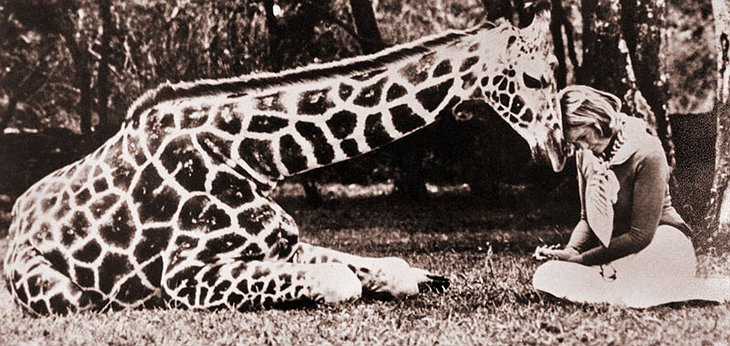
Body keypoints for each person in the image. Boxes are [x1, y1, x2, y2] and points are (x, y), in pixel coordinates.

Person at [532, 85, 730, 308]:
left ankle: (621, 288)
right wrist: (569, 252)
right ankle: (621, 289)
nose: (583, 147)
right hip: (616, 256)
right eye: (576, 143)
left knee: (643, 274)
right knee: (546, 275)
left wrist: (582, 260)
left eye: (583, 138)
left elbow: (640, 236)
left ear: (597, 121)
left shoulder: (647, 151)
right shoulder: (584, 155)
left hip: (660, 246)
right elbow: (587, 220)